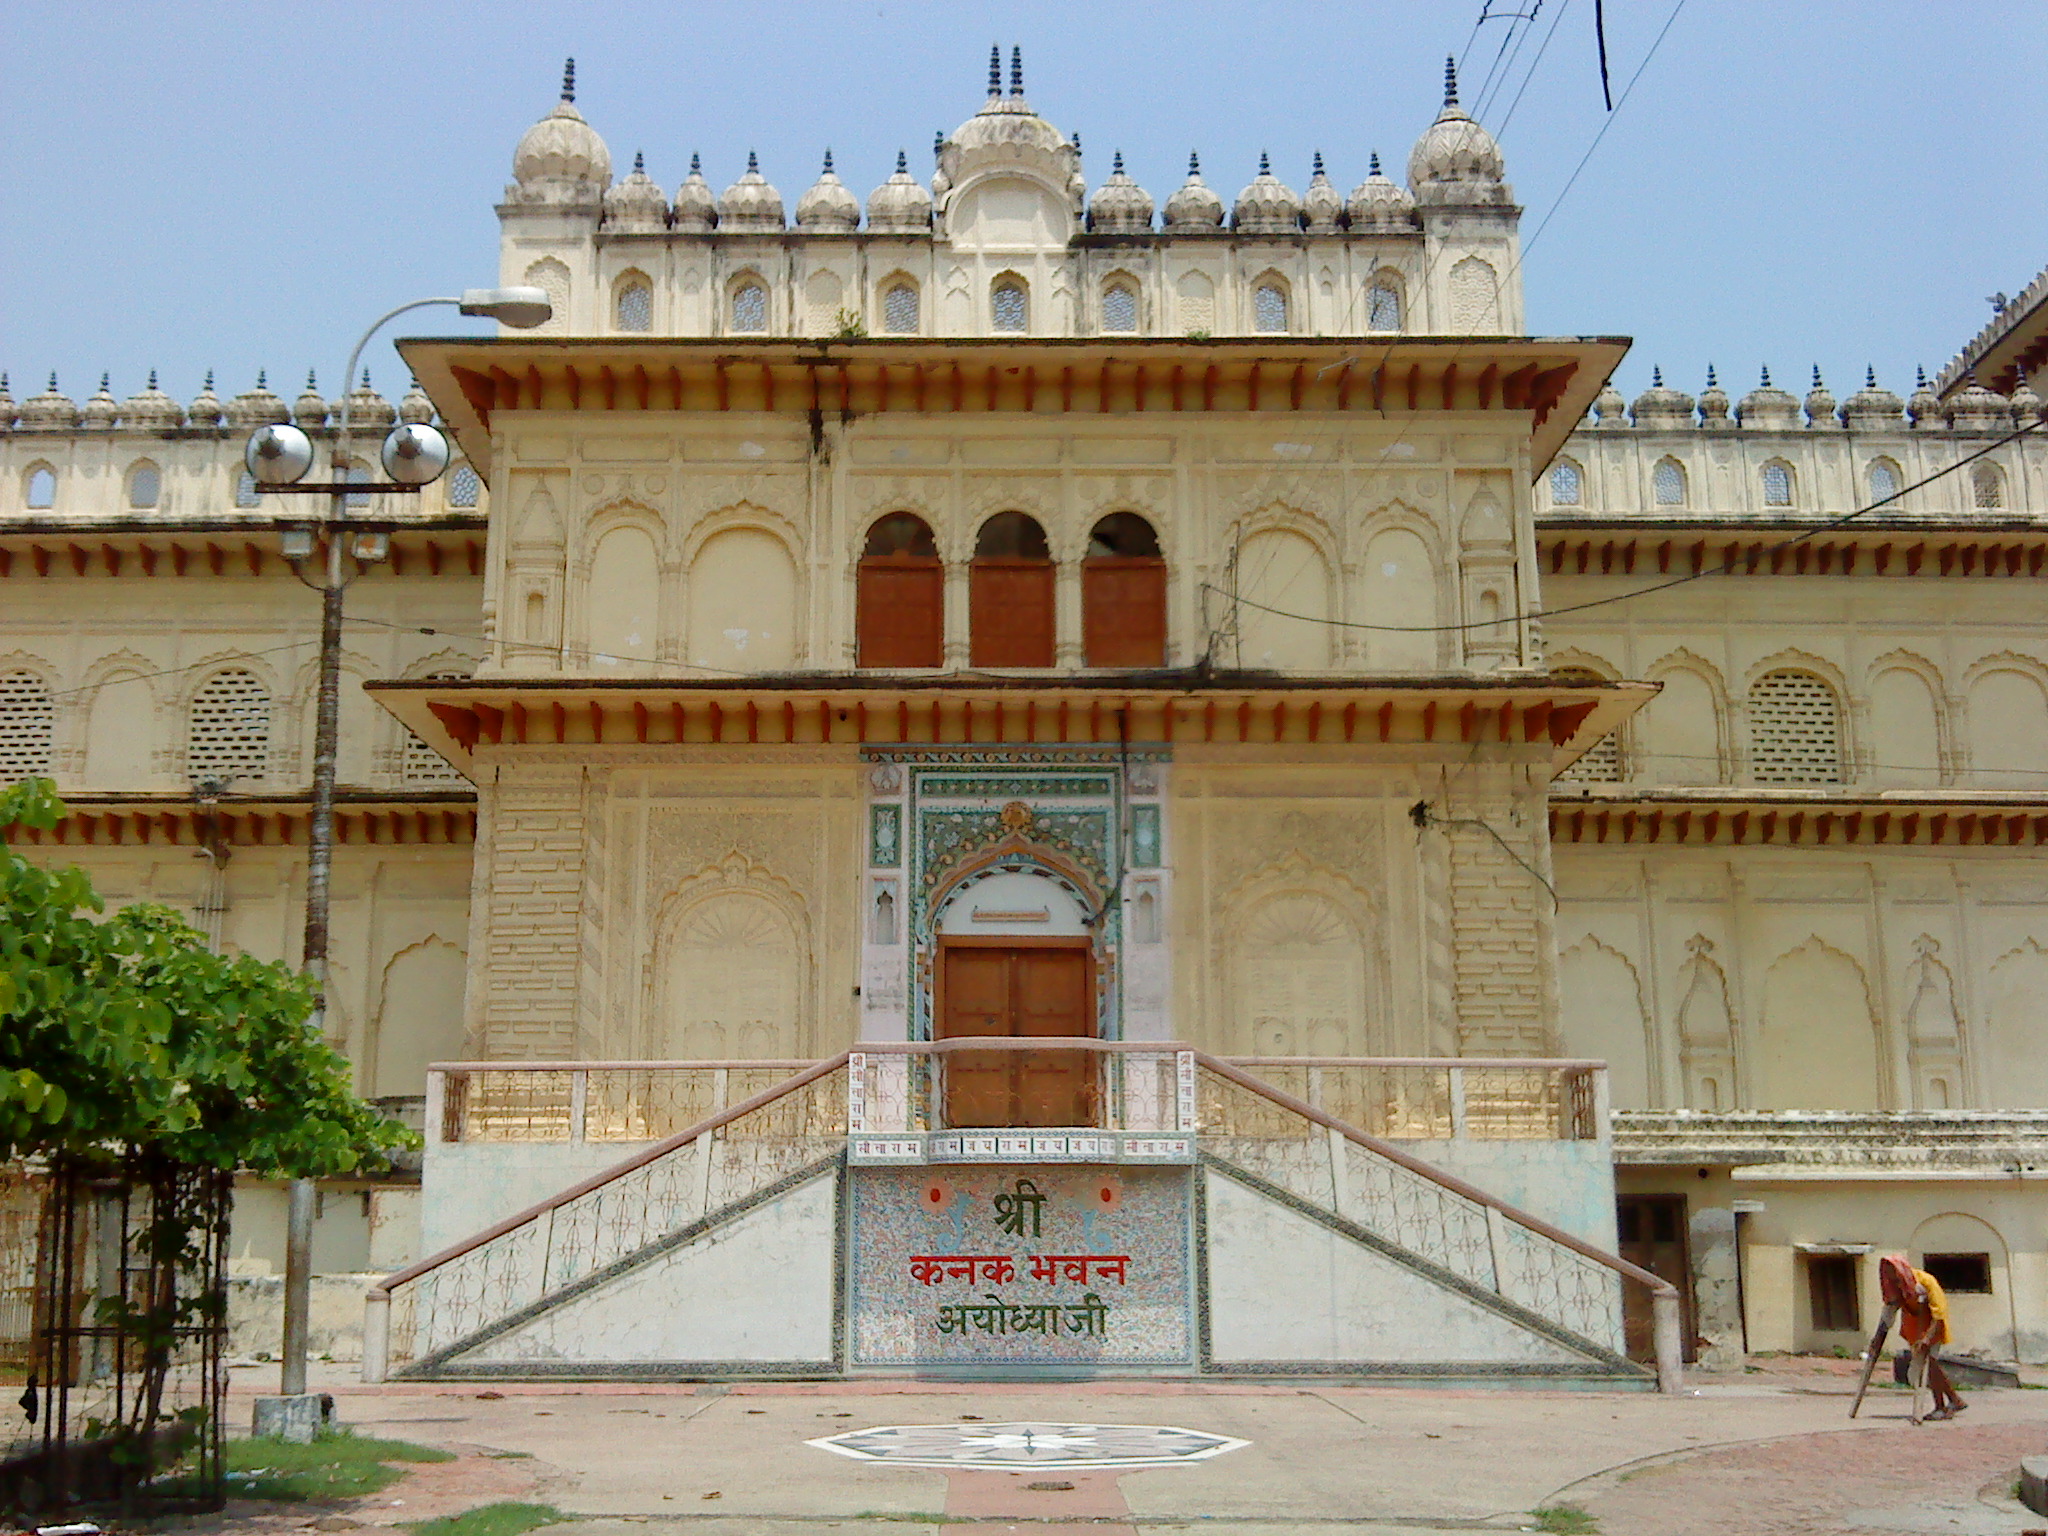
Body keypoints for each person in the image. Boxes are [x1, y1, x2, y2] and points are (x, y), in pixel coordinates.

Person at [1879, 1254, 1966, 1423]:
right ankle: (1955, 1400)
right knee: (1926, 1366)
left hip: (1933, 1327)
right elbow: (1891, 1305)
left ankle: (1941, 1406)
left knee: (1931, 1364)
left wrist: (1927, 1337)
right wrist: (1881, 1331)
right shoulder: (1895, 1285)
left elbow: (1939, 1313)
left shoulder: (1926, 1282)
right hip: (1914, 1328)